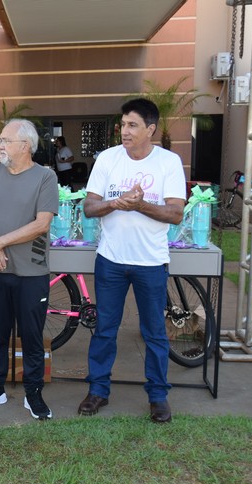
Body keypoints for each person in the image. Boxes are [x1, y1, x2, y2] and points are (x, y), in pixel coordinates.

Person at [79, 98, 185, 423]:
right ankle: (98, 391)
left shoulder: (168, 162)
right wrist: (117, 202)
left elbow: (176, 213)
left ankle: (158, 396)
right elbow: (89, 206)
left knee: (154, 332)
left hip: (151, 262)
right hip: (110, 260)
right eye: (123, 124)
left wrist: (139, 206)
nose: (124, 130)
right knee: (105, 330)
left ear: (150, 129)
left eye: (132, 125)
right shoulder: (108, 159)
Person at [0, 119, 59, 420]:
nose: (0, 145)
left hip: (31, 273)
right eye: (0, 140)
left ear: (25, 146)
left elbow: (41, 224)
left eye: (6, 140)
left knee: (32, 336)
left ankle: (33, 392)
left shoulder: (45, 178)